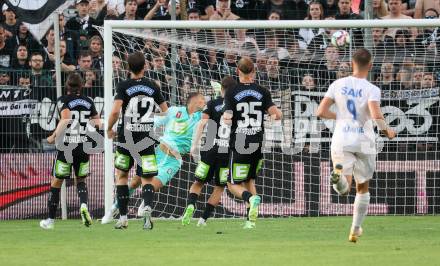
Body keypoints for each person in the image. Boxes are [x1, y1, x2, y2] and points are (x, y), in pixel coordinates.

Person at [316, 48, 396, 243]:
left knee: (344, 188)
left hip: (342, 138)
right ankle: (355, 229)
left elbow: (321, 111)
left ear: (352, 63)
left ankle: (337, 177)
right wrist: (388, 132)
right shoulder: (372, 89)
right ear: (370, 65)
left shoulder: (337, 84)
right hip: (365, 141)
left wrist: (341, 117)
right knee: (363, 186)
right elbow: (376, 115)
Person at [102, 92, 206, 228]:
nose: (204, 101)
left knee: (153, 185)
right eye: (202, 99)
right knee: (134, 182)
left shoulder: (201, 117)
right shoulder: (174, 111)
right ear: (193, 101)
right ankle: (114, 208)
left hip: (173, 160)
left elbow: (217, 110)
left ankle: (145, 204)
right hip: (158, 152)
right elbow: (156, 121)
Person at [106, 51, 168, 230]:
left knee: (122, 176)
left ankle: (123, 218)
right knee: (147, 178)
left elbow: (116, 111)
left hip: (126, 139)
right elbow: (165, 111)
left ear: (128, 67)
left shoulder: (123, 86)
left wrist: (109, 128)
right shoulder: (153, 86)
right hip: (147, 139)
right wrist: (149, 118)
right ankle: (147, 208)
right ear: (145, 66)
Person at [223, 57, 282, 229]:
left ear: (237, 71)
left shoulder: (232, 92)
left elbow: (227, 118)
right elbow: (277, 115)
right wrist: (269, 116)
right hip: (257, 142)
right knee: (249, 181)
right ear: (254, 71)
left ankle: (250, 198)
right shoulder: (262, 91)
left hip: (239, 143)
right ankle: (250, 221)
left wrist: (226, 119)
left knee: (232, 183)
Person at [39, 72, 102, 230]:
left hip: (66, 147)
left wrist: (53, 136)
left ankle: (50, 220)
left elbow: (66, 119)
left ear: (67, 86)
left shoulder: (63, 100)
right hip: (82, 147)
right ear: (81, 86)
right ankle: (83, 205)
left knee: (57, 182)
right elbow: (97, 122)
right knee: (80, 180)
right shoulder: (88, 101)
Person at [181, 77, 237, 227]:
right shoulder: (237, 107)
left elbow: (202, 124)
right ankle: (203, 219)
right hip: (227, 152)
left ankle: (191, 205)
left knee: (198, 182)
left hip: (209, 149)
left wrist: (194, 146)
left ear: (221, 89)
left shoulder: (212, 104)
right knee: (219, 187)